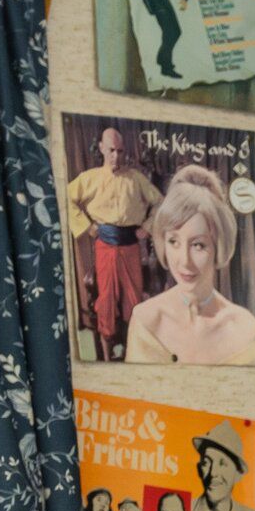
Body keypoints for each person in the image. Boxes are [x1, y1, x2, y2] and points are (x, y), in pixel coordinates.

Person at [125, 165, 255, 367]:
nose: (184, 261)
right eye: (174, 241)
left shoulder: (247, 330)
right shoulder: (146, 320)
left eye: (198, 245)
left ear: (219, 245)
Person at [62, 126, 161, 362]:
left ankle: (130, 353)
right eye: (112, 150)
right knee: (105, 299)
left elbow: (161, 203)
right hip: (104, 245)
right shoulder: (90, 178)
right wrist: (88, 227)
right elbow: (66, 197)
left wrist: (146, 228)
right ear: (101, 149)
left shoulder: (136, 179)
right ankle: (106, 358)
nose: (116, 156)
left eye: (121, 151)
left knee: (134, 300)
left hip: (131, 246)